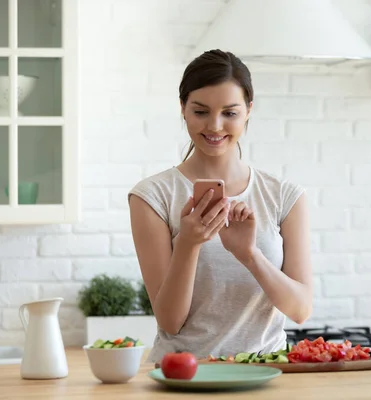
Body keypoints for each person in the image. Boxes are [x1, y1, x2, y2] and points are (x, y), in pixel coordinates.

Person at [127, 49, 313, 363]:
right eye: (200, 111)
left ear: (249, 110)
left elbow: (300, 310)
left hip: (267, 373)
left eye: (230, 112)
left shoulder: (284, 196)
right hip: (184, 374)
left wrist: (250, 255)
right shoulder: (152, 196)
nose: (214, 126)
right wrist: (188, 243)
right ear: (183, 108)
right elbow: (170, 322)